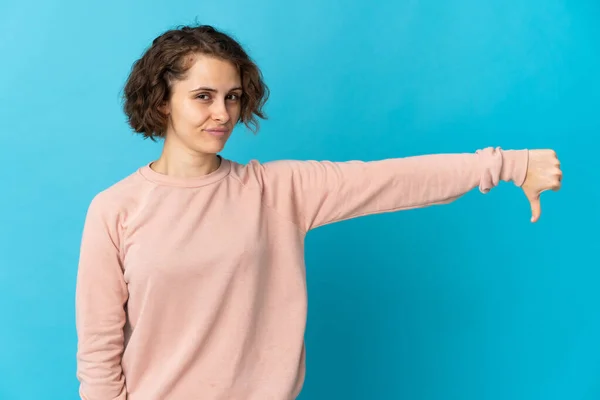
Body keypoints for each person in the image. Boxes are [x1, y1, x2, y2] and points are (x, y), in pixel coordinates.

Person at [75, 24, 562, 400]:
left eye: (233, 97)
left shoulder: (277, 191)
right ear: (162, 101)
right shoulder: (116, 208)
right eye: (203, 96)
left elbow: (391, 180)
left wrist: (509, 165)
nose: (223, 114)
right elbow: (99, 352)